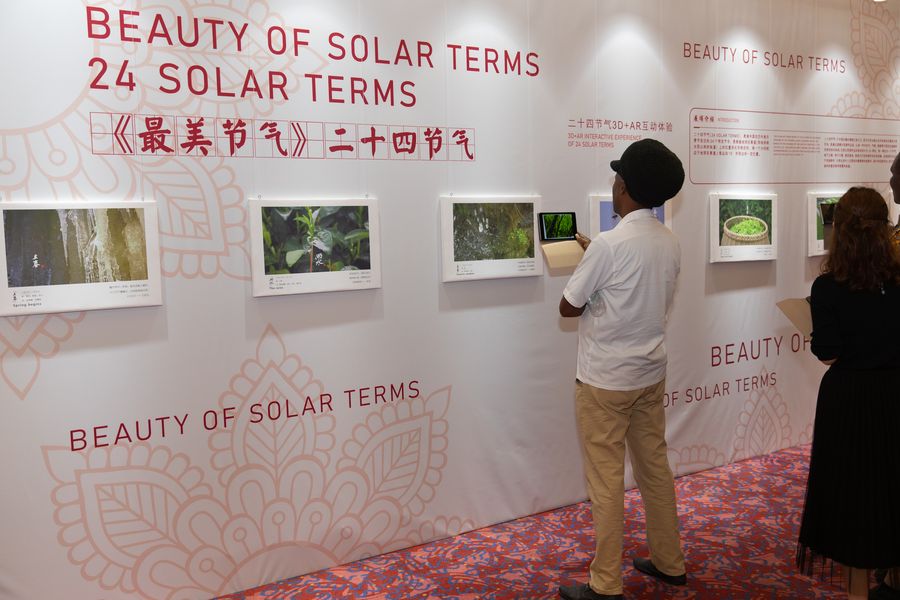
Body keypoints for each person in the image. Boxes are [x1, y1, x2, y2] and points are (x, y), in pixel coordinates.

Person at [557, 138, 687, 600]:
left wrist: (593, 266)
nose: (613, 185)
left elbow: (568, 307)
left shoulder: (608, 246)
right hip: (649, 375)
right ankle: (670, 561)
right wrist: (597, 260)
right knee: (654, 470)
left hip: (604, 382)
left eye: (617, 177)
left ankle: (606, 584)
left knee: (606, 482)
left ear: (624, 187)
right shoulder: (669, 241)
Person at [797, 187, 900, 600]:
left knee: (853, 495)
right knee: (893, 486)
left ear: (839, 230)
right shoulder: (897, 280)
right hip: (894, 394)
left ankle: (858, 592)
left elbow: (829, 353)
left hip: (849, 400)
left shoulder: (828, 287)